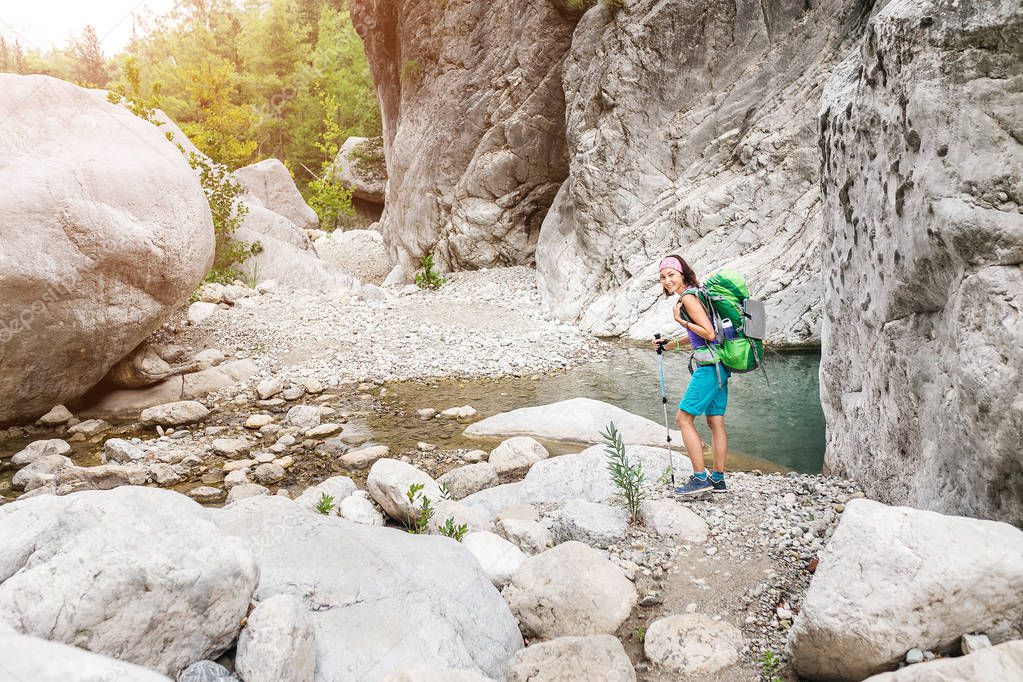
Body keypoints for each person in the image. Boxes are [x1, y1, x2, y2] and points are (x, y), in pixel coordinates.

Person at [654, 254, 729, 496]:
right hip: (721, 365)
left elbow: (707, 333)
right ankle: (718, 479)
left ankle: (700, 478)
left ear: (683, 274)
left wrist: (679, 321)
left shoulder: (688, 298)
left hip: (708, 368)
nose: (667, 281)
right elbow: (703, 335)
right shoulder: (696, 293)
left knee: (683, 419)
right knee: (715, 421)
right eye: (663, 277)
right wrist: (672, 344)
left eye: (671, 275)